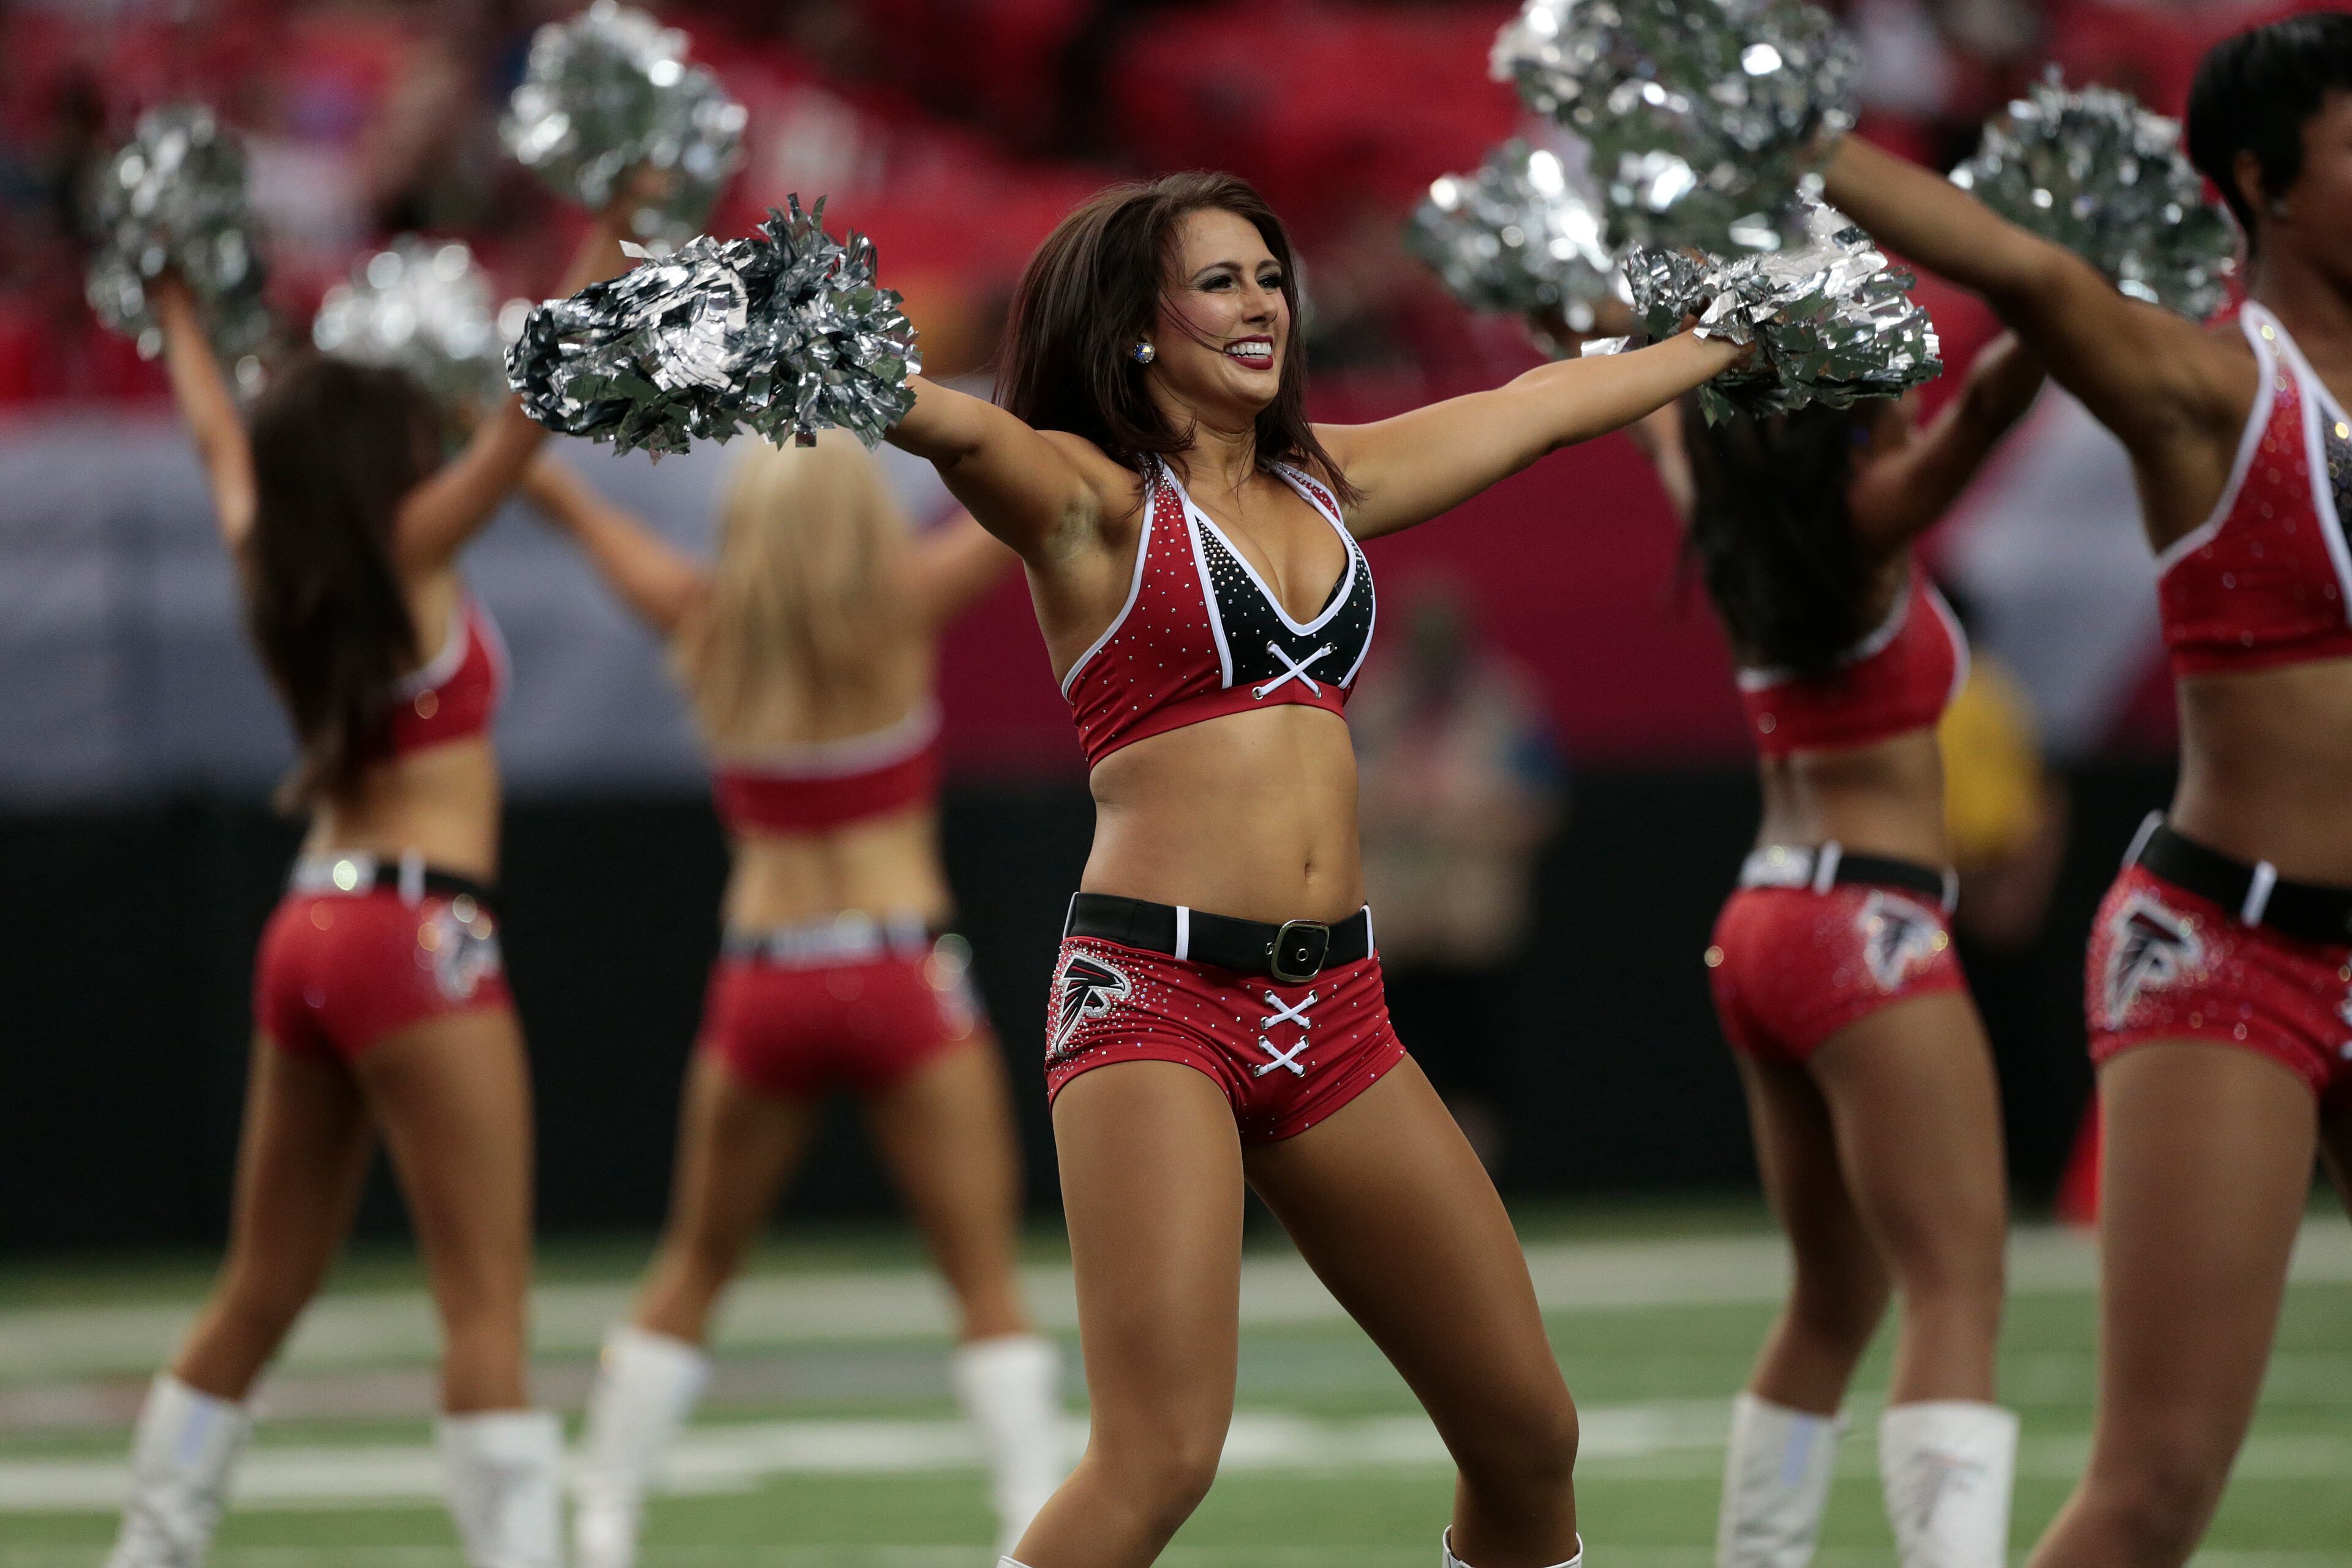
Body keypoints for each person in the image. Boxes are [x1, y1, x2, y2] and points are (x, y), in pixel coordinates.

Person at [880, 168, 1749, 1568]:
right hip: (1156, 1002)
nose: (1260, 306)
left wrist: (1730, 336)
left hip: (1336, 1011)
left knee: (1526, 1434)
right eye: (1218, 282)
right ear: (1134, 326)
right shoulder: (1090, 501)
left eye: (1270, 278)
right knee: (1158, 1456)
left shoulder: (1328, 479)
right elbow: (963, 429)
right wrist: (816, 357)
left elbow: (1538, 408)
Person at [1817, 15, 2352, 1565]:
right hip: (2233, 958)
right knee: (2154, 1488)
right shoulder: (2208, 386)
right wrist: (1785, 133)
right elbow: (2025, 274)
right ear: (2262, 181)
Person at [105, 199, 638, 1568]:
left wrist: (175, 311)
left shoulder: (268, 557)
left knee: (261, 1285)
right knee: (485, 1305)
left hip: (308, 924)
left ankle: (150, 1546)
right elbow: (529, 414)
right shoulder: (410, 554)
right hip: (418, 932)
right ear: (372, 463)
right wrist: (619, 221)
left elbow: (220, 440)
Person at [520, 439, 1063, 1566]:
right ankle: (1032, 1520)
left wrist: (507, 444)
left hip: (765, 978)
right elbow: (1032, 506)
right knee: (983, 1280)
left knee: (695, 1263)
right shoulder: (903, 603)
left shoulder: (703, 619)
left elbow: (577, 514)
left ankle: (603, 1516)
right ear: (863, 517)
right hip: (901, 972)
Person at [1623, 335, 2045, 1568]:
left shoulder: (1737, 515)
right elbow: (1988, 406)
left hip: (1763, 920)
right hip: (1869, 926)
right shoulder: (1867, 518)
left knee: (1831, 1303)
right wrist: (2065, 290)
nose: (1909, 385)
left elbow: (1659, 419)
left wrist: (1616, 326)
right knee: (1956, 1287)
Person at [1349, 581, 1565, 1169]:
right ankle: (1394, 1180)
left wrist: (1472, 811)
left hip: (1472, 915)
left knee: (1476, 1060)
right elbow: (1327, 799)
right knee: (1385, 1056)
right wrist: (1394, 801)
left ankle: (1476, 1180)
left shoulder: (1505, 700)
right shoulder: (1368, 697)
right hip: (1390, 919)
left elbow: (1540, 805)